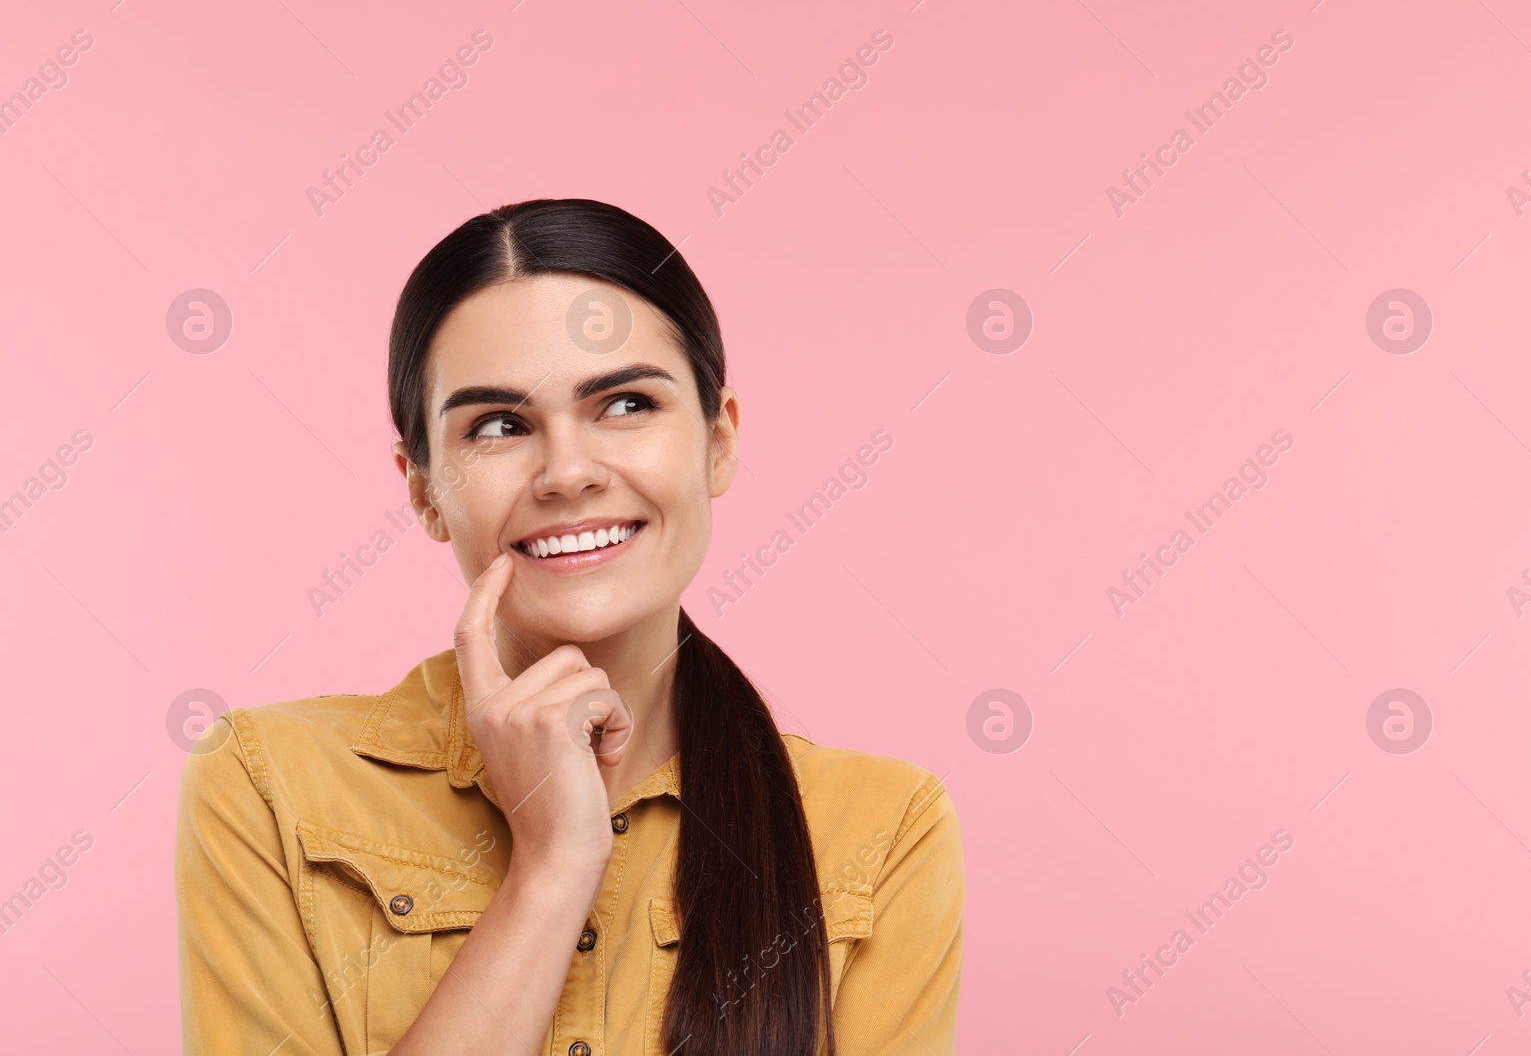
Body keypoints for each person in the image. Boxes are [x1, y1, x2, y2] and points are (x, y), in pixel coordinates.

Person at [174, 197, 964, 1055]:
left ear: (718, 440)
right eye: (499, 426)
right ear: (424, 491)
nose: (568, 473)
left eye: (625, 404)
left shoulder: (882, 831)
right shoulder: (269, 787)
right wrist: (551, 870)